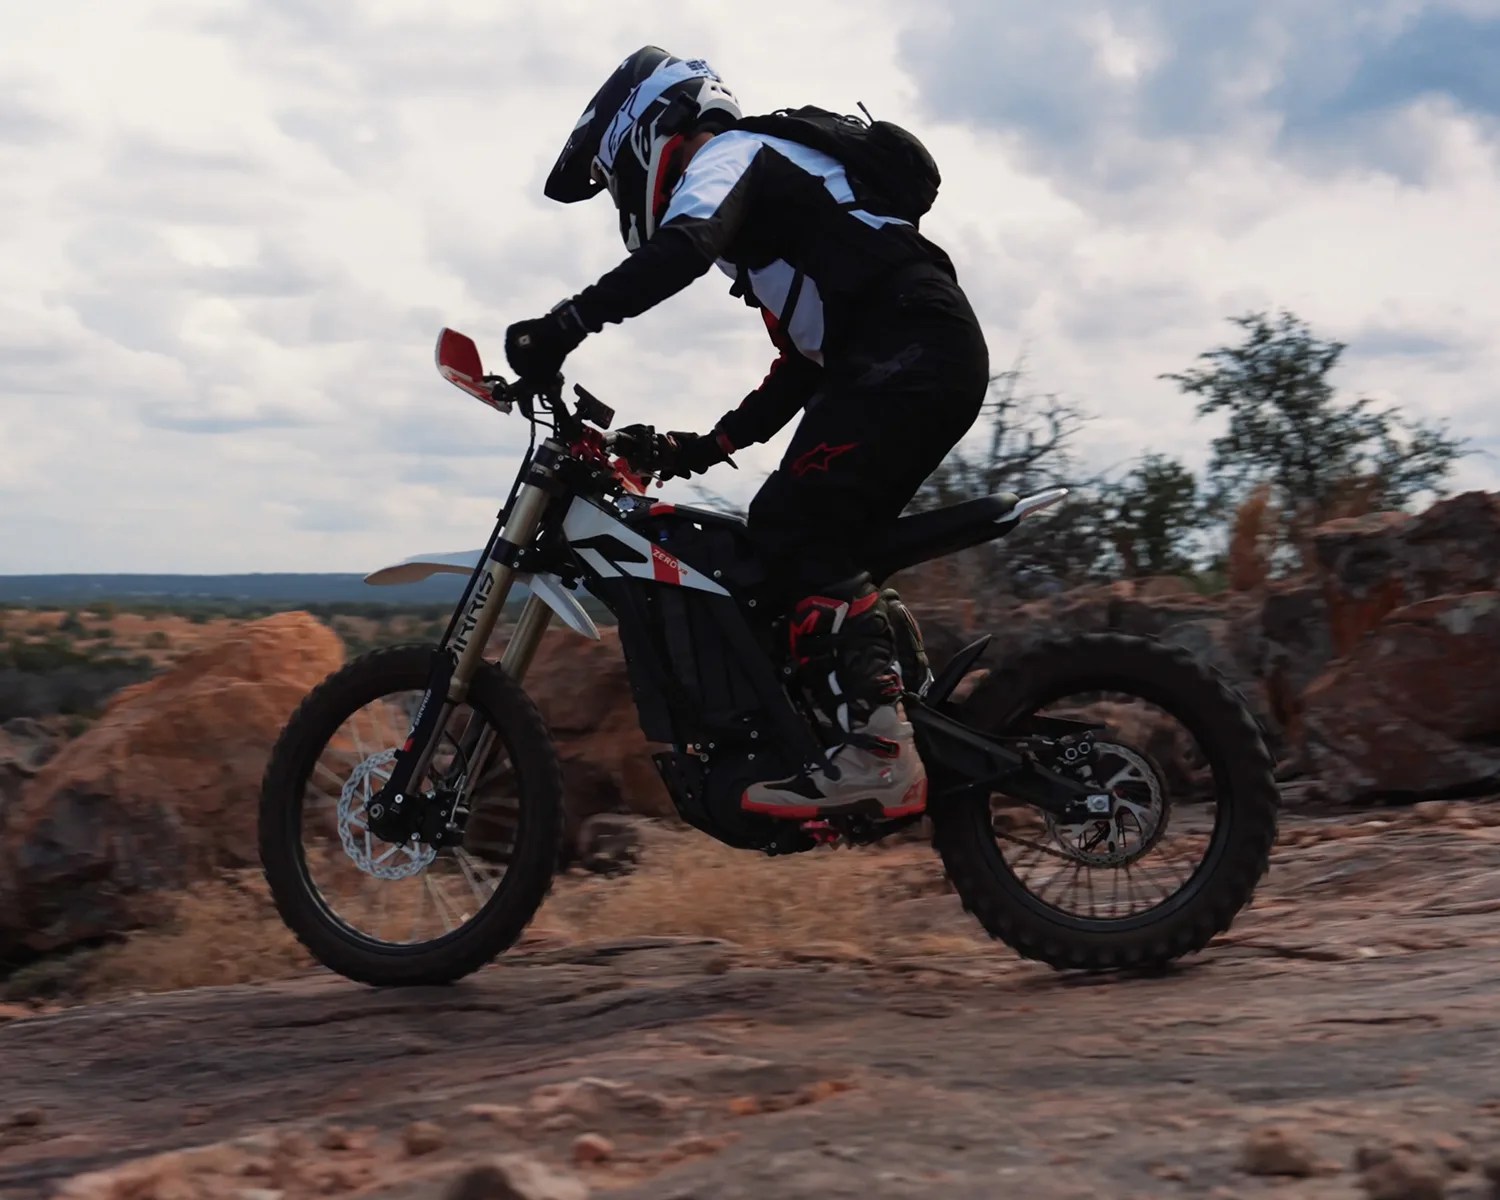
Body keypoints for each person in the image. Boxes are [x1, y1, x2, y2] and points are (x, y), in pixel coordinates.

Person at [504, 46, 989, 821]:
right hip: (916, 352)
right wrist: (698, 448)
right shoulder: (784, 220)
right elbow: (798, 369)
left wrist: (564, 326)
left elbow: (682, 249)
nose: (622, 199)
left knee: (790, 529)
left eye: (614, 179)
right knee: (815, 537)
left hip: (911, 351)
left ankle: (879, 751)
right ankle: (901, 710)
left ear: (648, 133)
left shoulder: (734, 152)